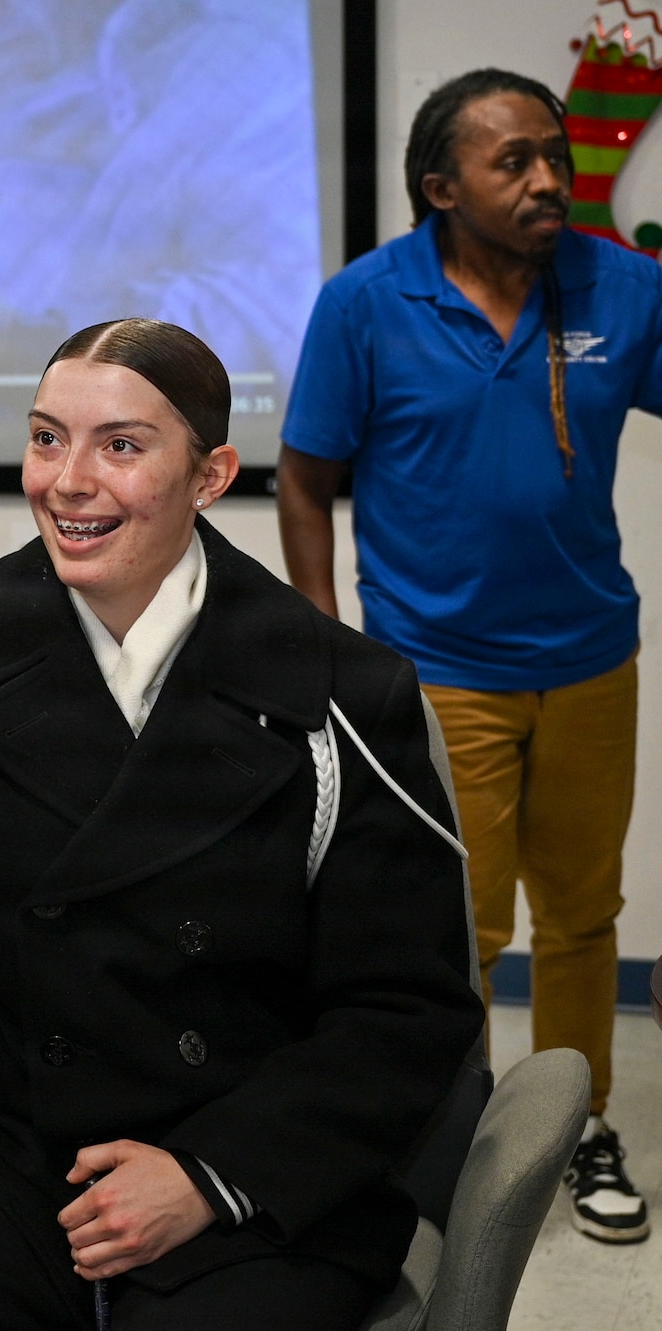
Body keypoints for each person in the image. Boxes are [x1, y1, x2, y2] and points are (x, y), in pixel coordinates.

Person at [0, 319, 484, 1329]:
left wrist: (208, 1174)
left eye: (119, 445)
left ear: (208, 474)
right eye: (43, 438)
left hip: (241, 1148)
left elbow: (406, 1009)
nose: (65, 480)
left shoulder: (338, 689)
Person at [278, 68, 657, 1244]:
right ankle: (466, 1131)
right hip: (433, 666)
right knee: (457, 926)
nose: (548, 178)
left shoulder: (622, 286)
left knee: (584, 911)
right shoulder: (364, 302)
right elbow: (303, 475)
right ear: (440, 187)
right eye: (514, 162)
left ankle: (578, 1116)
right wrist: (326, 640)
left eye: (554, 153)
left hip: (591, 657)